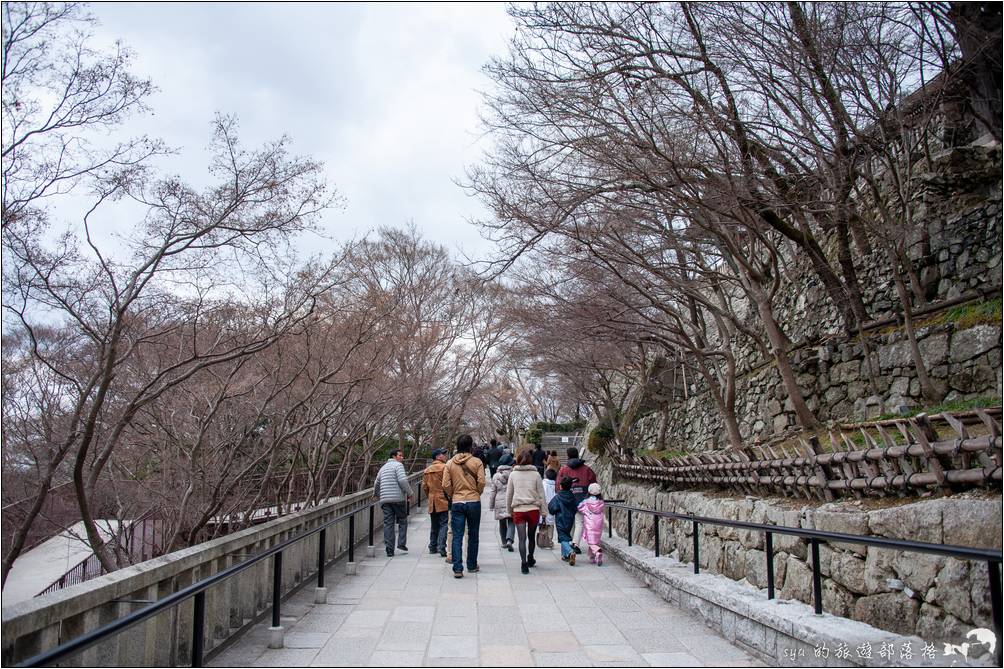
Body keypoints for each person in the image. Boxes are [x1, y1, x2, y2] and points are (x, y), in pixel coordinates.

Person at [442, 434, 485, 578]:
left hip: (457, 501)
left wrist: (453, 494)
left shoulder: (449, 463)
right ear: (470, 445)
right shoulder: (477, 462)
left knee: (457, 535)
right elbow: (482, 481)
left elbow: (445, 484)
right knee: (473, 534)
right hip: (473, 501)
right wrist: (477, 492)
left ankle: (458, 567)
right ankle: (472, 564)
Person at [506, 447, 547, 574]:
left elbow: (509, 494)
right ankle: (530, 558)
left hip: (519, 509)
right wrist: (544, 512)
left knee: (521, 538)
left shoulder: (513, 474)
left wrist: (509, 510)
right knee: (531, 536)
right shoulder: (536, 474)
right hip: (533, 509)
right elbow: (542, 494)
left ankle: (523, 564)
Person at [374, 448, 414, 557]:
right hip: (397, 499)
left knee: (388, 524)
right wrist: (410, 493)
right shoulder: (398, 466)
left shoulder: (383, 468)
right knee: (402, 520)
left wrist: (376, 495)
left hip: (385, 500)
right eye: (400, 455)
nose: (402, 457)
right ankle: (401, 544)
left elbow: (377, 483)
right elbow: (402, 481)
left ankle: (389, 549)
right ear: (394, 456)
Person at [557, 447, 597, 554]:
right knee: (579, 522)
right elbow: (594, 484)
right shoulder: (587, 469)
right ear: (578, 455)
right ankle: (575, 543)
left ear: (568, 455)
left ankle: (568, 543)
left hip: (567, 500)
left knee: (568, 522)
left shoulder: (564, 469)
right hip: (582, 500)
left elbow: (558, 485)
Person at [422, 448, 450, 556]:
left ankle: (432, 546)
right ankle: (442, 546)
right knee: (443, 524)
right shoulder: (445, 468)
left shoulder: (427, 470)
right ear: (438, 456)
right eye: (443, 454)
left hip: (432, 500)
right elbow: (447, 484)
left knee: (434, 525)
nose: (445, 456)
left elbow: (425, 487)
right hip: (442, 499)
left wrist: (429, 495)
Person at [547, 475, 578, 566]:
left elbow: (551, 507)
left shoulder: (558, 497)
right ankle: (565, 555)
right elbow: (575, 507)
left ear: (561, 486)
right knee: (566, 535)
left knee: (562, 537)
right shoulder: (572, 496)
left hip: (560, 519)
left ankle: (570, 551)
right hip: (570, 519)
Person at [489, 453, 515, 552]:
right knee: (512, 521)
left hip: (499, 501)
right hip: (511, 500)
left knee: (502, 522)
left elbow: (493, 491)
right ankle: (510, 540)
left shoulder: (496, 476)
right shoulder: (514, 474)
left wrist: (491, 504)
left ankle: (504, 542)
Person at [578, 482, 605, 565]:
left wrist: (585, 511)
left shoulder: (586, 502)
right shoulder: (601, 502)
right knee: (595, 540)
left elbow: (579, 507)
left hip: (590, 522)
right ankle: (592, 557)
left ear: (589, 491)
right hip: (599, 522)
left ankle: (597, 552)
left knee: (590, 541)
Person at [537, 468, 557, 549]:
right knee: (551, 524)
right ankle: (549, 540)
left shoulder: (542, 484)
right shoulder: (556, 485)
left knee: (542, 523)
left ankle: (542, 539)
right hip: (552, 507)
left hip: (543, 506)